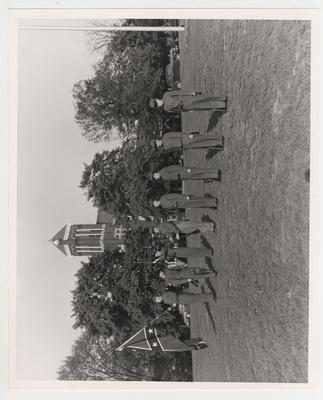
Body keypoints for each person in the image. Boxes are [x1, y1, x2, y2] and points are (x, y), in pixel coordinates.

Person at [149, 90, 227, 112]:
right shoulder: (166, 108)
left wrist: (190, 93)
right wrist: (188, 110)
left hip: (187, 98)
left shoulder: (166, 95)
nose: (158, 104)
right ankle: (222, 105)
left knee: (204, 98)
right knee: (204, 106)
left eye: (156, 103)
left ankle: (222, 98)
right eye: (157, 106)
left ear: (156, 99)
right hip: (187, 106)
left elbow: (179, 92)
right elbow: (178, 110)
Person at [153, 131, 224, 151]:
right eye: (157, 146)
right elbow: (176, 149)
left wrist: (187, 135)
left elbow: (177, 134)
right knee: (202, 145)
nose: (158, 145)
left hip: (185, 138)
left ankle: (218, 138)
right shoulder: (165, 148)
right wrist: (186, 148)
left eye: (157, 143)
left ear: (157, 140)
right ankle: (218, 143)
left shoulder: (166, 136)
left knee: (201, 138)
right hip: (185, 145)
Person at [152, 165, 221, 181]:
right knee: (199, 176)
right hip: (183, 177)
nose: (156, 177)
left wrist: (184, 169)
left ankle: (215, 171)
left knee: (199, 171)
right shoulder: (163, 178)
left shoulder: (163, 170)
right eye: (155, 178)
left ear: (155, 173)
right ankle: (215, 175)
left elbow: (175, 167)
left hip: (183, 171)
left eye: (155, 176)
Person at [152, 193, 218, 209]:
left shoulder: (163, 197)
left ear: (156, 200)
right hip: (183, 205)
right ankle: (212, 204)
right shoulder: (163, 206)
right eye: (156, 205)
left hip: (183, 199)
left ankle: (213, 200)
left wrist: (184, 197)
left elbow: (174, 195)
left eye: (155, 203)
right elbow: (173, 207)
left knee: (198, 199)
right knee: (197, 204)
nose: (157, 204)